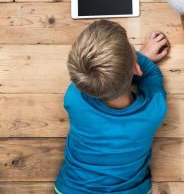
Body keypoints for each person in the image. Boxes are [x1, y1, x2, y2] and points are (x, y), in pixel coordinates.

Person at [54, 20, 170, 194]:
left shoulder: (74, 97)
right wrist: (136, 59)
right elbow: (151, 73)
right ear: (137, 69)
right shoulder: (155, 108)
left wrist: (130, 60)